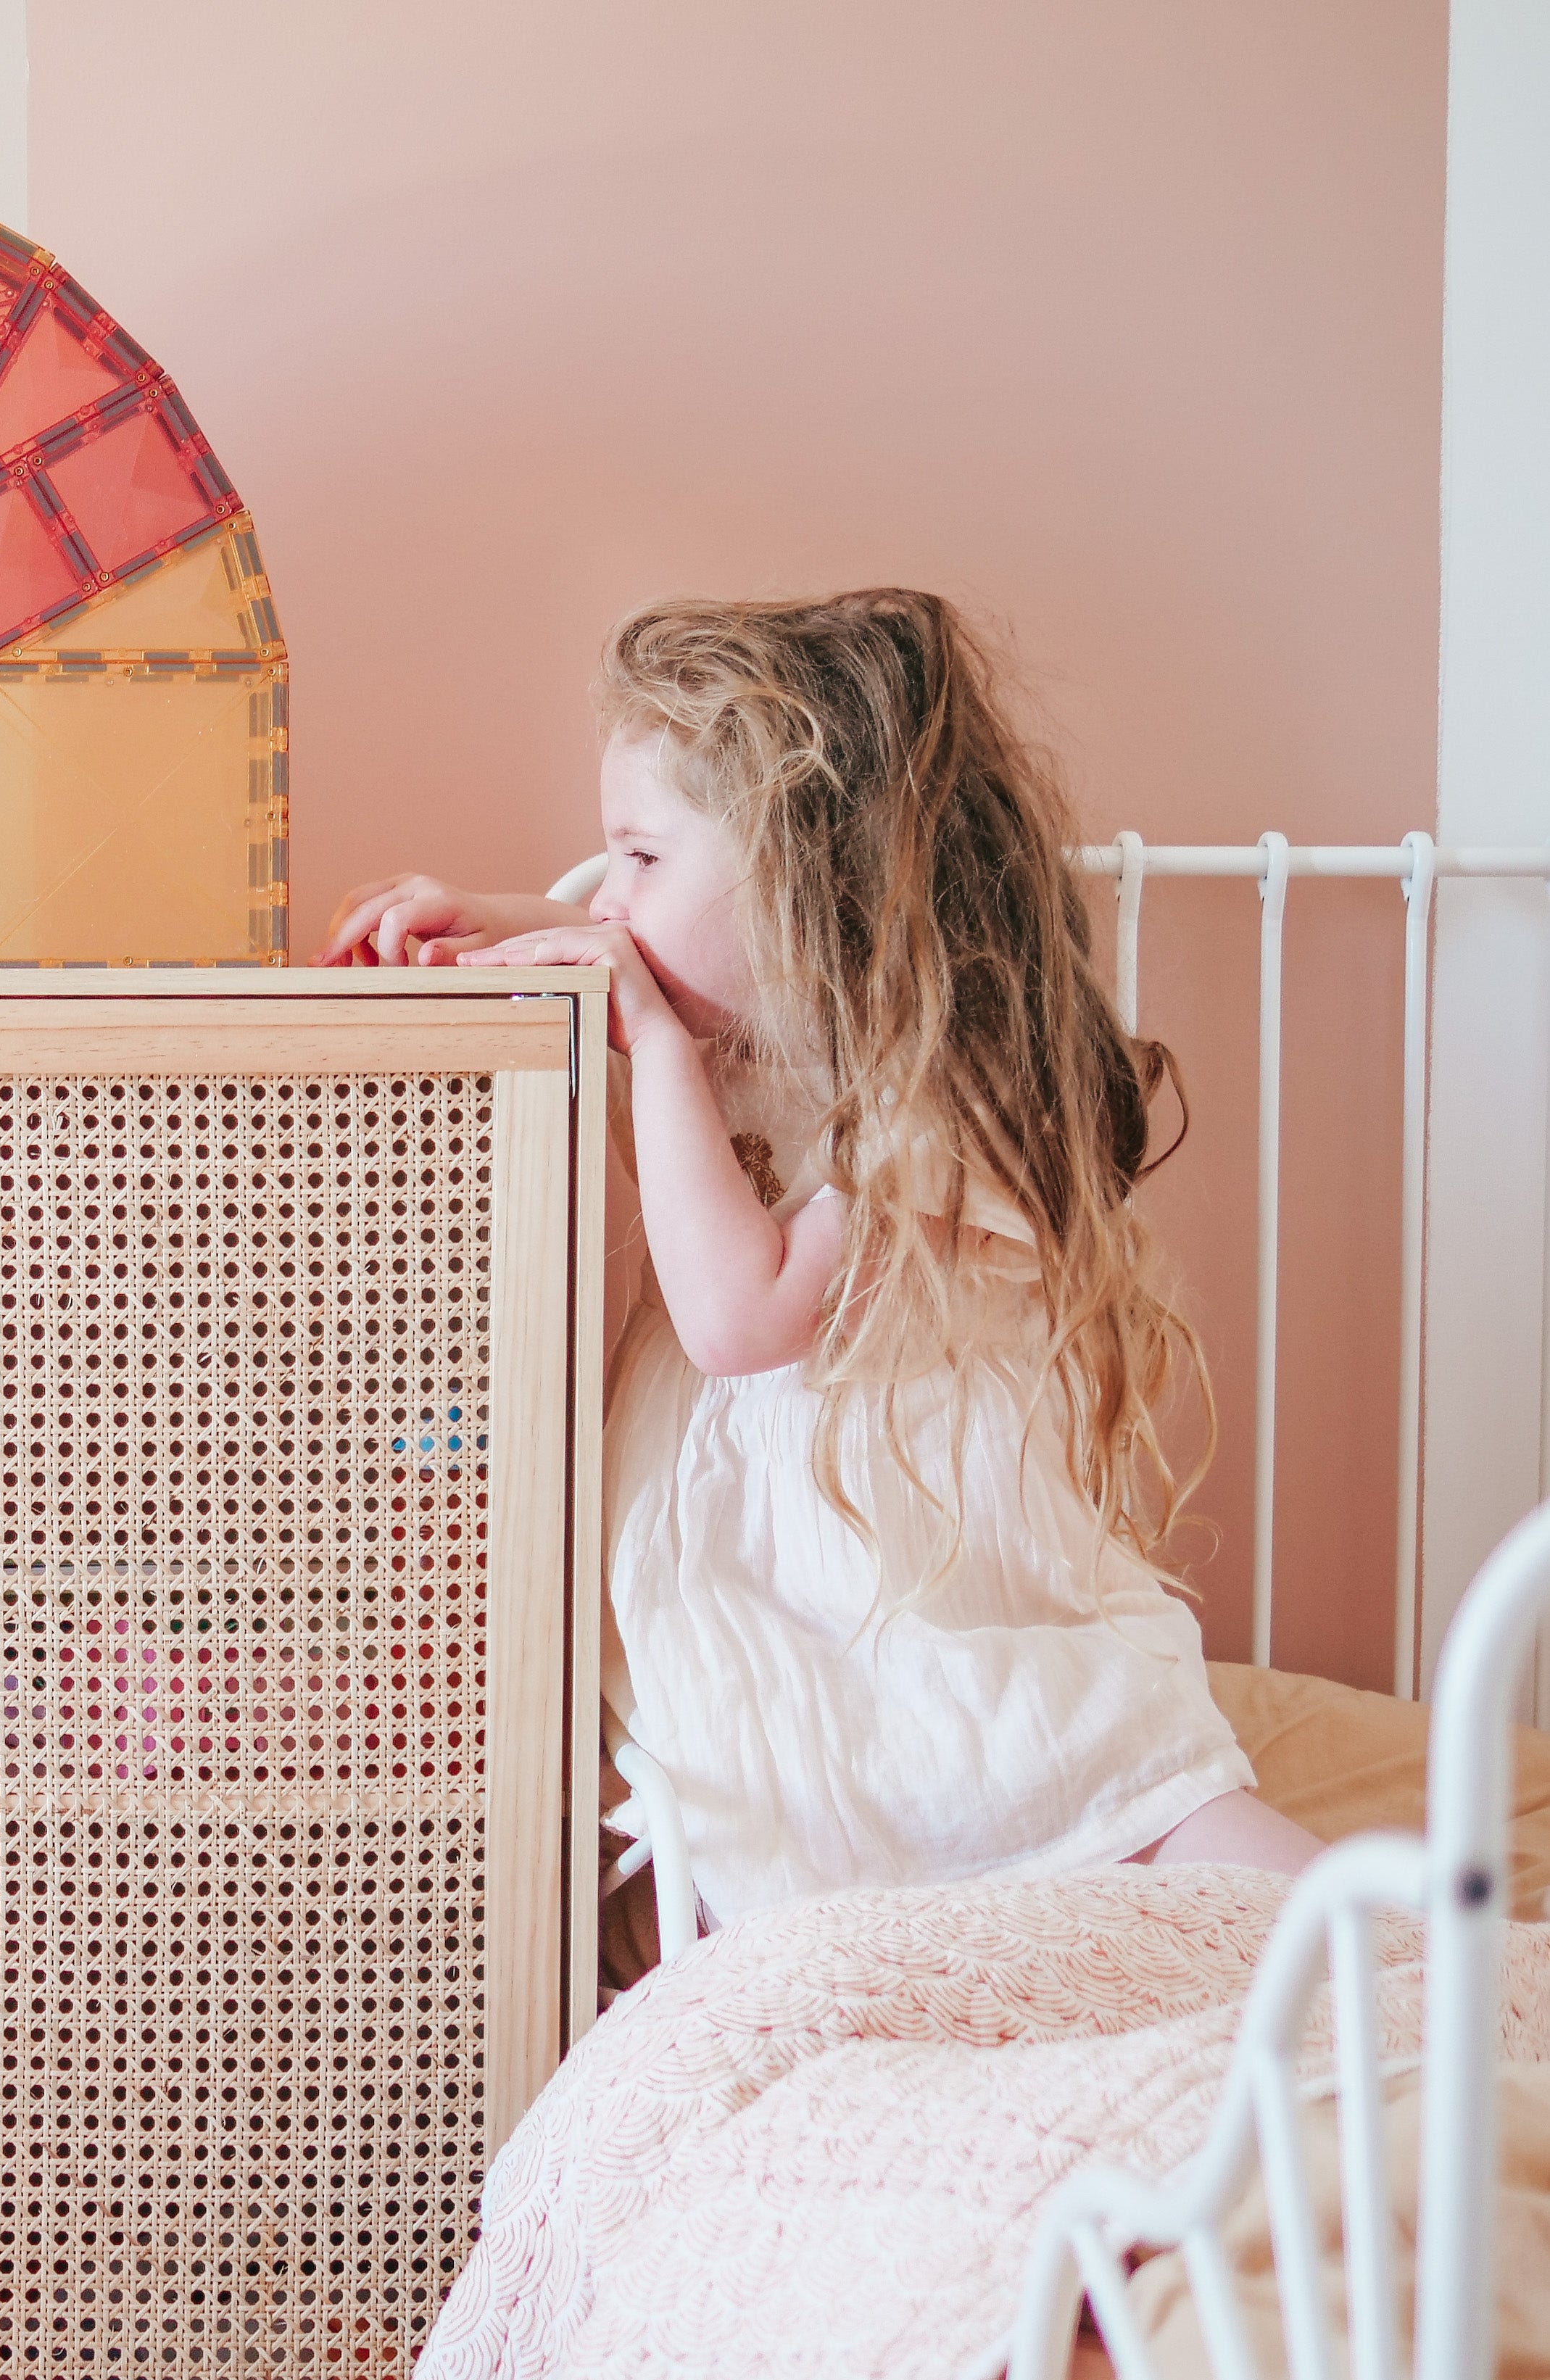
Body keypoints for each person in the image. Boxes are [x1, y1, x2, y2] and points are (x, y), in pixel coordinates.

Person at [327, 589, 1317, 1931]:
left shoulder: (934, 1091)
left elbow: (742, 1318)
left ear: (808, 883)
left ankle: (1426, 1952)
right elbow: (668, 937)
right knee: (776, 1796)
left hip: (912, 1593)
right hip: (767, 1595)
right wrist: (490, 918)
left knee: (1090, 1776)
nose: (608, 902)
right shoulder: (764, 1015)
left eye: (638, 858)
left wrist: (657, 1048)